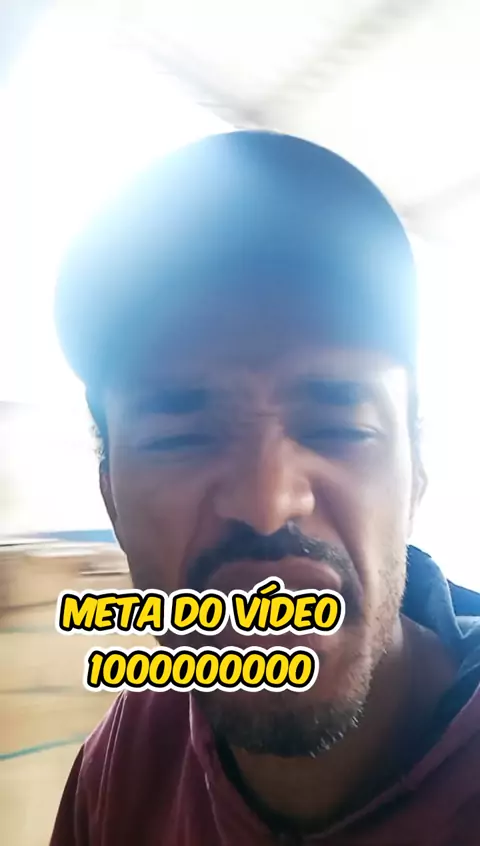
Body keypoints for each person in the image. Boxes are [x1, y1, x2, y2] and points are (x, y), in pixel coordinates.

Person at [51, 131, 480, 845]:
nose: (266, 502)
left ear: (417, 475)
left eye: (338, 424)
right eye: (181, 436)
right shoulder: (125, 765)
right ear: (113, 502)